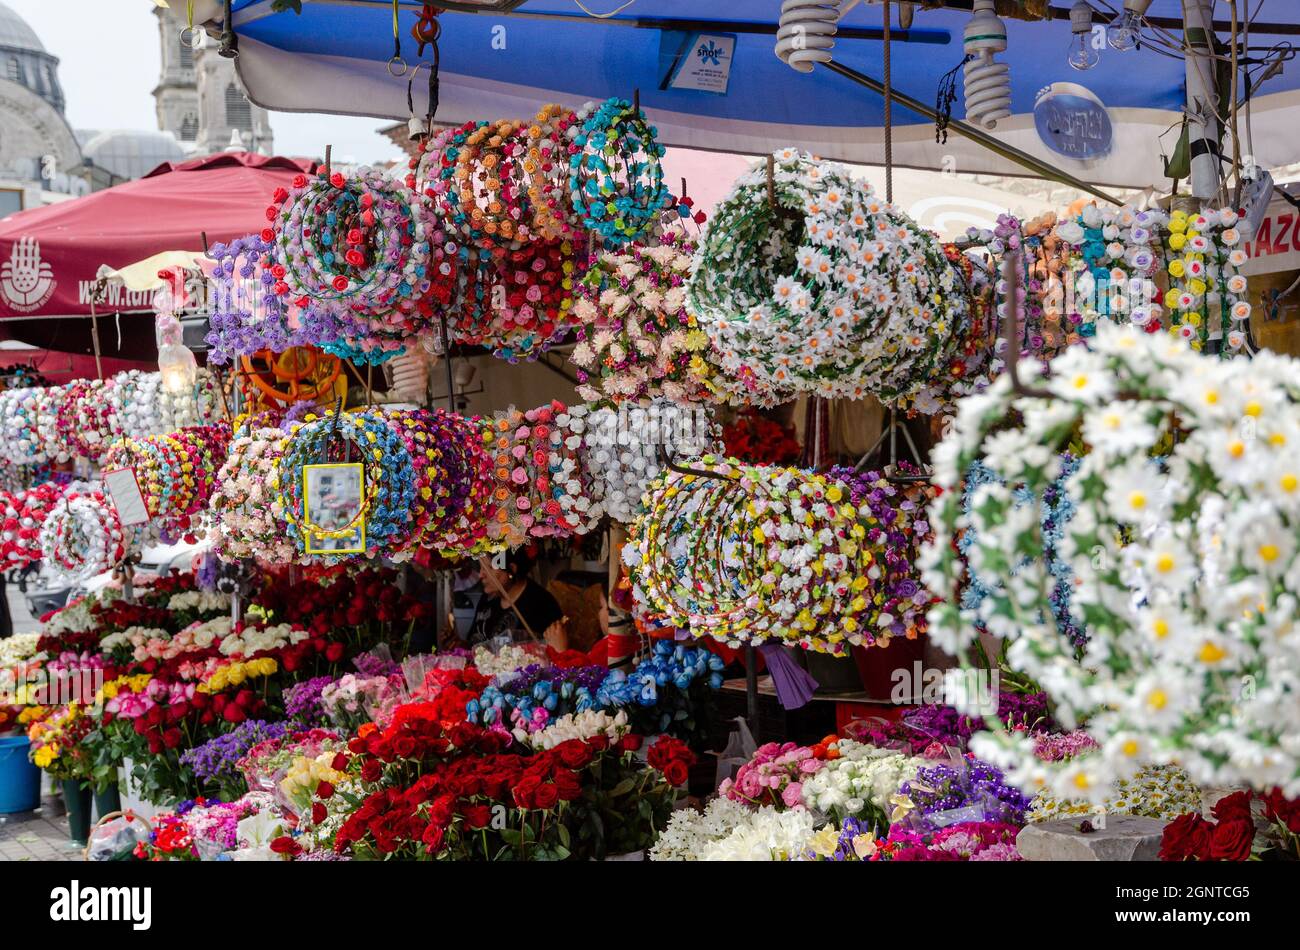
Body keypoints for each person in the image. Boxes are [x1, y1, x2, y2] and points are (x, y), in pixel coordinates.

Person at [449, 548, 567, 651]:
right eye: (481, 568)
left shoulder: (541, 604)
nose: (481, 575)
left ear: (511, 569)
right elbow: (473, 643)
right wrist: (459, 645)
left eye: (489, 567)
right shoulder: (489, 598)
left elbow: (553, 654)